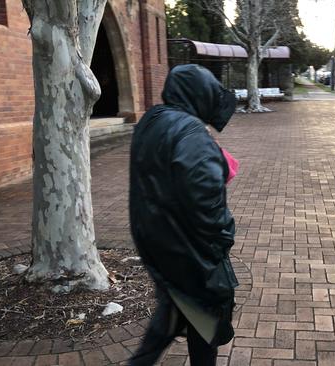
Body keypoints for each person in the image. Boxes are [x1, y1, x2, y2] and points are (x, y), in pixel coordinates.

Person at [127, 64, 238, 366]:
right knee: (203, 316)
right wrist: (225, 236)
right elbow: (205, 200)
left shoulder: (152, 120)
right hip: (188, 251)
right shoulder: (190, 132)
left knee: (178, 317)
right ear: (199, 94)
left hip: (158, 242)